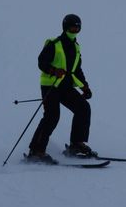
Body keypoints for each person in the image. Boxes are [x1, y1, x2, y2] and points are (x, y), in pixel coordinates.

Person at [28, 14, 94, 162]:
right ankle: (36, 151)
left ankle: (76, 145)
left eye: (77, 27)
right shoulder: (54, 44)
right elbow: (41, 62)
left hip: (65, 87)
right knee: (52, 116)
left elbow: (77, 70)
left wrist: (85, 86)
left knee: (83, 107)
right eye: (72, 27)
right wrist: (53, 71)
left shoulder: (76, 47)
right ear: (65, 27)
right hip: (50, 86)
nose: (75, 30)